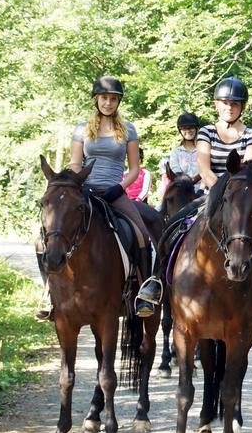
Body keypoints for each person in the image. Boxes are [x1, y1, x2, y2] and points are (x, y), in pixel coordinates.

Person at [36, 75, 162, 320]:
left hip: (115, 191)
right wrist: (74, 186)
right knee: (43, 238)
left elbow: (135, 168)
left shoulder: (128, 130)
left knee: (141, 234)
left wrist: (120, 187)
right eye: (104, 98)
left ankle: (145, 292)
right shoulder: (82, 129)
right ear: (96, 100)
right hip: (85, 190)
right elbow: (75, 163)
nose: (108, 103)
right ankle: (49, 293)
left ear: (118, 102)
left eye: (113, 99)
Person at [136, 78, 252, 310]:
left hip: (241, 198)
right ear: (216, 104)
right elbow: (203, 167)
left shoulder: (251, 134)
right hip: (211, 193)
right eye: (225, 102)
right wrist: (222, 192)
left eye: (235, 103)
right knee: (172, 227)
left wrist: (234, 194)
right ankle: (155, 282)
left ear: (242, 106)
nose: (229, 107)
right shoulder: (206, 132)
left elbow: (250, 166)